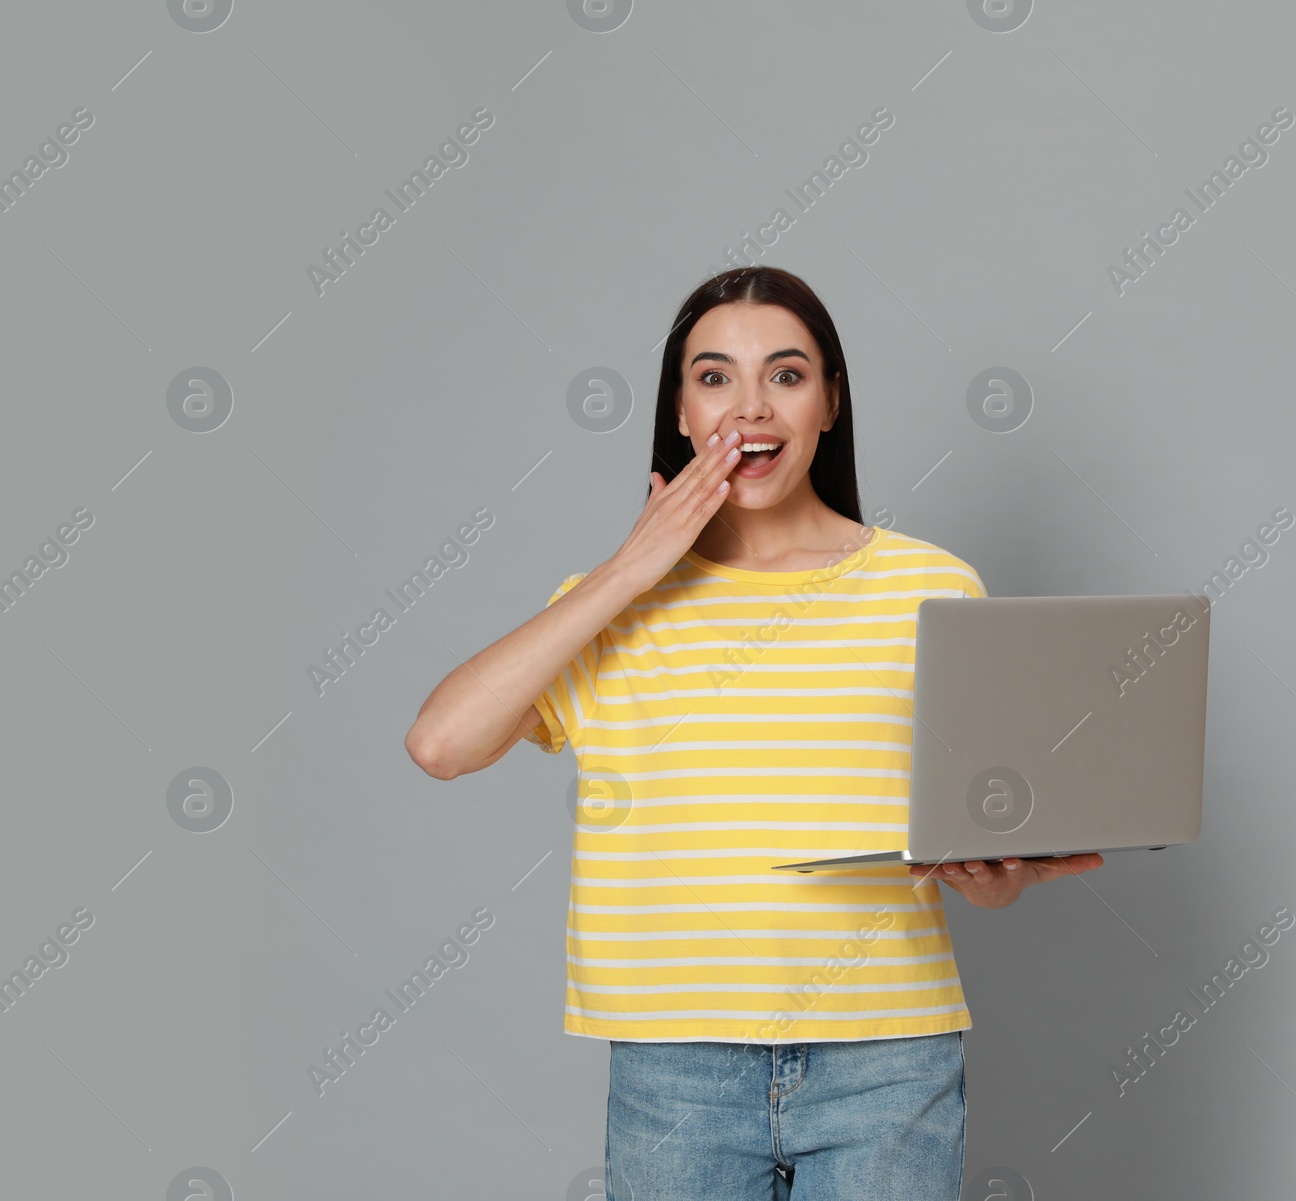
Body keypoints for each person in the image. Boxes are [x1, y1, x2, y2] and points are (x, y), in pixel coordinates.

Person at [405, 266, 1104, 1200]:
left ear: (830, 401)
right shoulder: (611, 607)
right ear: (681, 415)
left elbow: (981, 847)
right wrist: (629, 568)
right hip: (677, 1067)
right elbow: (440, 743)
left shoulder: (932, 589)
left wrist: (996, 880)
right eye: (713, 377)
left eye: (784, 374)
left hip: (887, 1057)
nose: (750, 408)